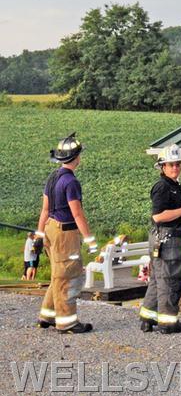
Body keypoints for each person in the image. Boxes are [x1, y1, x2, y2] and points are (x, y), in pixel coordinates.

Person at [36, 132, 97, 334]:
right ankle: (67, 322)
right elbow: (77, 214)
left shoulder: (53, 177)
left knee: (57, 274)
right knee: (68, 276)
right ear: (76, 157)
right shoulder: (71, 182)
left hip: (51, 229)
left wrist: (39, 234)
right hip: (65, 233)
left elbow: (45, 209)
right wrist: (90, 240)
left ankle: (48, 315)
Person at [138, 144, 181, 334]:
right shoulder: (162, 187)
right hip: (168, 238)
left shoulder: (175, 186)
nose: (175, 168)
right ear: (162, 166)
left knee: (157, 279)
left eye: (178, 164)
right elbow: (158, 216)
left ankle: (148, 317)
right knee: (170, 281)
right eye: (171, 165)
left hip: (167, 239)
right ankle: (168, 322)